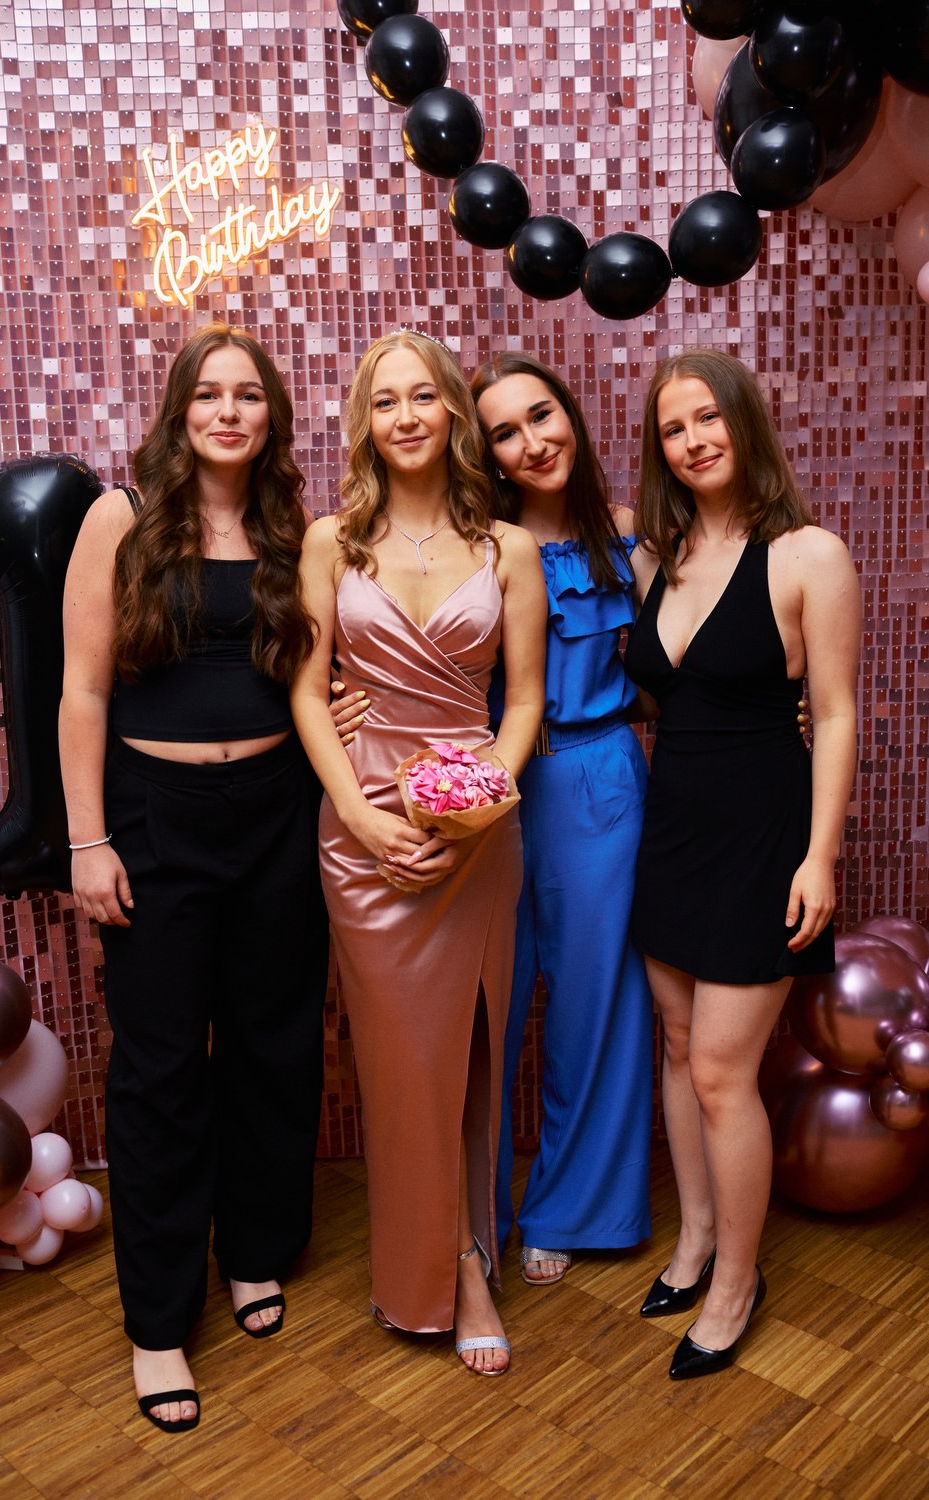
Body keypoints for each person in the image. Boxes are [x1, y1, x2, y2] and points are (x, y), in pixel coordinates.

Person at [59, 324, 328, 1432]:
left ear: (271, 415)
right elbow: (83, 691)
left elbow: (314, 676)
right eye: (209, 394)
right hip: (153, 821)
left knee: (274, 1043)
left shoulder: (294, 531)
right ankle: (158, 1323)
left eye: (248, 395)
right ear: (180, 411)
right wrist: (87, 842)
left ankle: (255, 1250)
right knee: (161, 1068)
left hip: (277, 815)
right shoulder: (119, 517)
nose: (228, 411)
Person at [291, 330, 547, 1376]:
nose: (404, 416)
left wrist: (482, 804)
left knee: (472, 1051)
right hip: (363, 836)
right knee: (402, 1065)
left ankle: (470, 1259)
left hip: (478, 834)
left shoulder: (508, 549)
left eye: (422, 397)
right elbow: (307, 694)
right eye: (384, 400)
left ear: (451, 412)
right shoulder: (329, 542)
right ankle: (434, 1260)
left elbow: (522, 703)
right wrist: (361, 817)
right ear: (366, 422)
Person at [624, 348, 859, 1379]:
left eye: (707, 418)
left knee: (723, 1071)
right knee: (678, 1048)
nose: (692, 441)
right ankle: (695, 1242)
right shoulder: (655, 558)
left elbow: (836, 715)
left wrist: (820, 857)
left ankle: (734, 1283)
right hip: (671, 829)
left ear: (743, 422)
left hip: (764, 836)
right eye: (672, 428)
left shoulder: (809, 555)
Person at [468, 351, 654, 1285]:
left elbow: (684, 663)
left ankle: (572, 1208)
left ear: (571, 417)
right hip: (489, 791)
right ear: (486, 454)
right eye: (505, 432)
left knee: (596, 1000)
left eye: (542, 415)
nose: (532, 442)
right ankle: (477, 1214)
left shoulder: (631, 538)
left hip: (598, 778)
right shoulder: (472, 545)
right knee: (485, 1005)